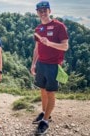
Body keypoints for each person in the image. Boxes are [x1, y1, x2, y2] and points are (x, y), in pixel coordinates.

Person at [30, 1, 69, 135]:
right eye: (40, 10)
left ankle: (45, 121)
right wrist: (33, 63)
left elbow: (65, 46)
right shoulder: (38, 29)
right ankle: (45, 113)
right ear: (37, 13)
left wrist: (50, 43)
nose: (43, 12)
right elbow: (36, 48)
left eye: (45, 10)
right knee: (42, 90)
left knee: (50, 93)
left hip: (53, 65)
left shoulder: (59, 26)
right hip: (41, 63)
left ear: (50, 11)